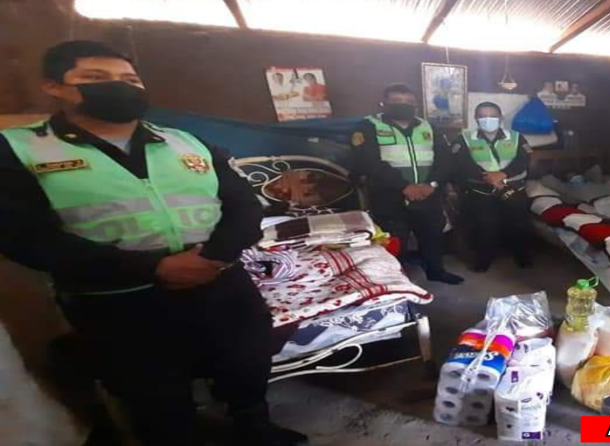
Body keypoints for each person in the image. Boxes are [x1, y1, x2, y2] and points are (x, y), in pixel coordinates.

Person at [0, 41, 307, 446]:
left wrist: (215, 257)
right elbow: (23, 236)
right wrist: (154, 268)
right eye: (95, 77)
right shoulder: (21, 149)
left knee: (245, 361)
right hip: (116, 296)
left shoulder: (186, 142)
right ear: (53, 86)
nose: (119, 86)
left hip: (220, 281)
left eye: (130, 79)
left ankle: (253, 426)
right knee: (152, 392)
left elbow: (244, 206)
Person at [350, 83, 463, 285]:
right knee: (395, 240)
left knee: (433, 235)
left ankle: (436, 271)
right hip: (389, 195)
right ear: (384, 103)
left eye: (409, 101)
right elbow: (368, 162)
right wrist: (404, 186)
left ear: (416, 104)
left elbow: (445, 160)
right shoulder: (368, 126)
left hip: (428, 193)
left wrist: (432, 184)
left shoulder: (428, 127)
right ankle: (397, 282)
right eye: (396, 101)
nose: (403, 105)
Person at [452, 102, 533, 272]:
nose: (487, 119)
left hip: (513, 188)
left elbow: (523, 160)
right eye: (482, 116)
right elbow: (462, 163)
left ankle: (522, 257)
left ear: (500, 118)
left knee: (520, 224)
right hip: (481, 190)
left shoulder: (516, 137)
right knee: (485, 226)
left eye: (492, 116)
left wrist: (503, 174)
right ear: (476, 118)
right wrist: (487, 176)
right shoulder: (464, 138)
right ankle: (484, 260)